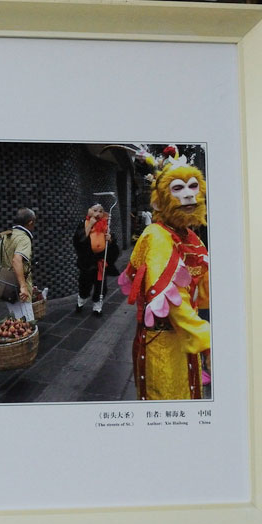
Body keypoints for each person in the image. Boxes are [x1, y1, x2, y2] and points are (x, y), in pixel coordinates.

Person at [118, 153, 210, 400]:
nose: (189, 194)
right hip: (163, 340)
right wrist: (206, 338)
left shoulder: (192, 238)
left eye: (193, 186)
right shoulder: (156, 235)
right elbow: (172, 298)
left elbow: (204, 291)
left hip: (187, 338)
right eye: (178, 188)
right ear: (159, 203)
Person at [73, 204, 119, 313]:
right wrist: (90, 225)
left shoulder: (105, 225)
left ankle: (97, 306)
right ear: (89, 211)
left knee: (100, 285)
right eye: (95, 210)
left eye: (101, 211)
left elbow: (113, 243)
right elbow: (78, 240)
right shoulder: (83, 223)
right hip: (87, 261)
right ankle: (81, 301)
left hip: (100, 261)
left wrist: (110, 239)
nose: (98, 213)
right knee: (85, 283)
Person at [0, 207, 37, 321]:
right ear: (30, 222)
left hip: (6, 285)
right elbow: (16, 260)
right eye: (34, 223)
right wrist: (23, 286)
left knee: (16, 321)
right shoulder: (23, 238)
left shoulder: (6, 235)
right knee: (28, 324)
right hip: (19, 289)